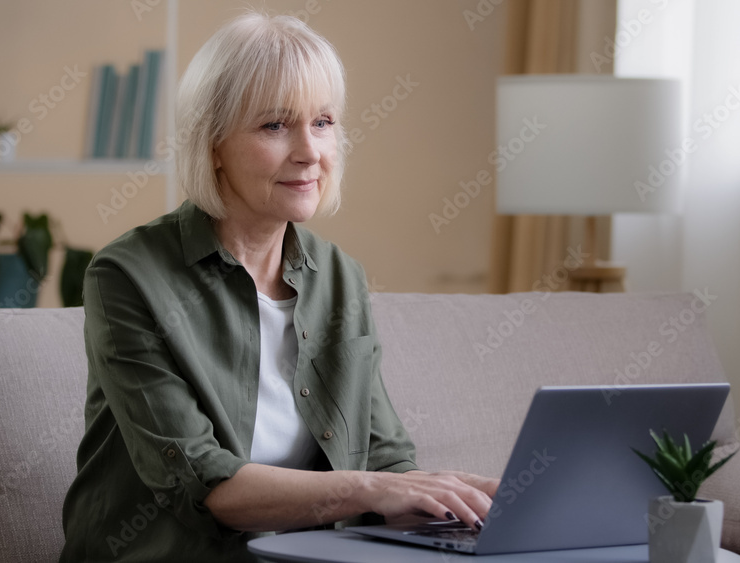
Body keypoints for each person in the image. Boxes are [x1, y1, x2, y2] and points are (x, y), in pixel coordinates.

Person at [59, 11, 499, 562]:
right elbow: (205, 483)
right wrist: (371, 491)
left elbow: (385, 460)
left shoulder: (340, 277)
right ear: (212, 143)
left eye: (323, 122)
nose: (310, 151)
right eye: (274, 125)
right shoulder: (126, 277)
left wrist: (460, 501)